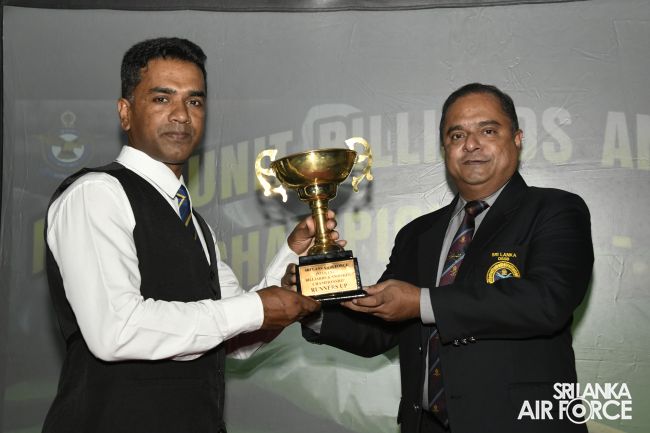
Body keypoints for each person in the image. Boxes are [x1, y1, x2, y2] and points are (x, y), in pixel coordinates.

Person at [43, 37, 333, 433]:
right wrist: (257, 308)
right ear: (125, 112)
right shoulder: (97, 193)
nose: (181, 115)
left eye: (194, 101)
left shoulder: (194, 222)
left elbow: (239, 341)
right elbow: (116, 330)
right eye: (162, 99)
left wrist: (291, 258)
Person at [295, 83, 594, 433]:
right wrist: (311, 307)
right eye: (457, 135)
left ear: (517, 139)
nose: (471, 144)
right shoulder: (417, 233)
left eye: (488, 130)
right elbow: (379, 331)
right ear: (445, 149)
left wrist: (421, 302)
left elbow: (546, 301)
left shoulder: (555, 209)